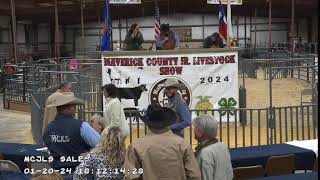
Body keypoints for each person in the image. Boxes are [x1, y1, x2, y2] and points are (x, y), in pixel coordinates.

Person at [123, 104, 201, 180]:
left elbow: (131, 176)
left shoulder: (136, 146)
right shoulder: (182, 144)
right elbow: (194, 175)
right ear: (167, 122)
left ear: (147, 123)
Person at [43, 93, 101, 170]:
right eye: (74, 106)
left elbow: (48, 148)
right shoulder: (82, 126)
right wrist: (90, 154)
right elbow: (102, 145)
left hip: (57, 174)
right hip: (78, 172)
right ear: (69, 108)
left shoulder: (48, 128)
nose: (75, 109)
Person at [193, 115, 233, 180]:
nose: (193, 130)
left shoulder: (205, 153)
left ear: (200, 132)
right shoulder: (222, 146)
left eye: (195, 128)